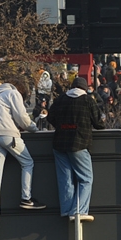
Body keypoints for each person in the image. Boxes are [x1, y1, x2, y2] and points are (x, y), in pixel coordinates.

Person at [0, 75, 43, 223]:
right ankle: (26, 198)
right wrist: (34, 129)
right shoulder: (13, 93)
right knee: (27, 163)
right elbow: (22, 118)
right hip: (8, 135)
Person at [46, 72, 103, 222]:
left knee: (65, 178)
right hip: (79, 143)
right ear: (85, 88)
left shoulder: (61, 99)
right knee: (85, 179)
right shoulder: (87, 100)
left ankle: (66, 210)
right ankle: (79, 211)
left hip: (59, 143)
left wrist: (62, 126)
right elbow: (99, 123)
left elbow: (50, 117)